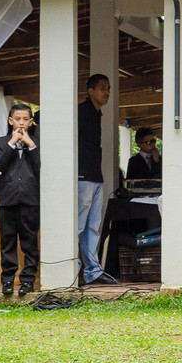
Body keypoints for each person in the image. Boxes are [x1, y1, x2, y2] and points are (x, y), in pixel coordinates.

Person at [0, 103, 40, 297]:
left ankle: (28, 280)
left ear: (30, 121)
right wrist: (12, 143)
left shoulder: (36, 142)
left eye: (25, 119)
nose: (21, 123)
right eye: (17, 119)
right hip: (8, 200)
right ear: (11, 121)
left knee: (29, 241)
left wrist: (31, 145)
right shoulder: (2, 142)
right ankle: (7, 280)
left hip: (29, 200)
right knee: (8, 241)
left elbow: (38, 168)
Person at [78, 74, 117, 286]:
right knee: (78, 226)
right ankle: (73, 271)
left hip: (96, 176)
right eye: (102, 88)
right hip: (82, 175)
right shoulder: (80, 111)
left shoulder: (96, 114)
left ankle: (92, 271)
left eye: (108, 88)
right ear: (90, 91)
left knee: (94, 226)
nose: (107, 92)